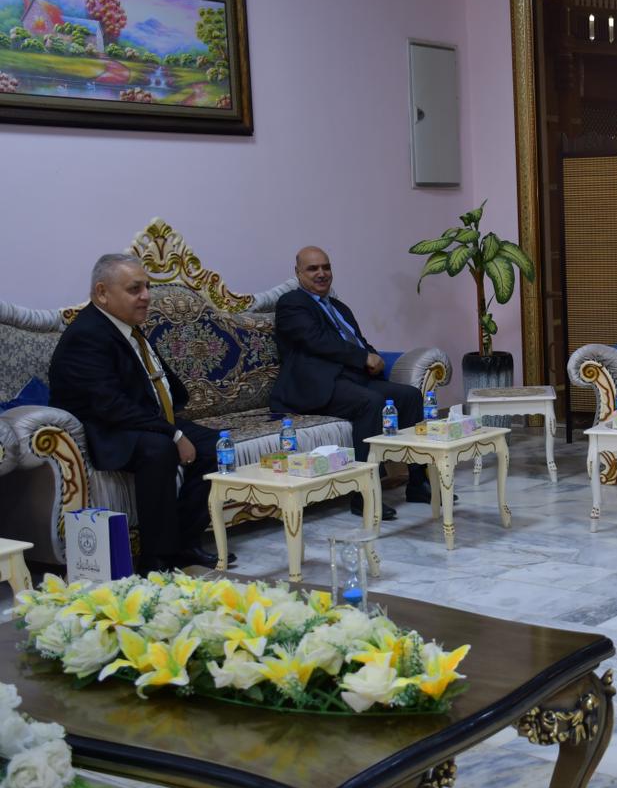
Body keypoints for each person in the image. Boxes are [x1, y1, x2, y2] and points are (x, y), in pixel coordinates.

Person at [49, 254, 234, 573]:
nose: (146, 296)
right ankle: (156, 558)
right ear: (102, 293)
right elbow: (109, 405)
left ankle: (185, 542)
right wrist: (173, 432)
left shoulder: (128, 327)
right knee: (159, 448)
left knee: (215, 446)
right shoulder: (87, 335)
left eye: (147, 287)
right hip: (107, 430)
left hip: (141, 420)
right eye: (135, 289)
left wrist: (171, 424)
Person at [270, 246, 430, 520]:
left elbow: (358, 341)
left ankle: (417, 482)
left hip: (351, 378)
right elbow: (316, 341)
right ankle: (364, 493)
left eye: (326, 267)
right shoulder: (292, 303)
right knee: (371, 403)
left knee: (410, 395)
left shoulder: (339, 307)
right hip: (316, 385)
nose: (321, 273)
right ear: (298, 273)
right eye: (312, 268)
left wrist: (375, 357)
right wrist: (363, 357)